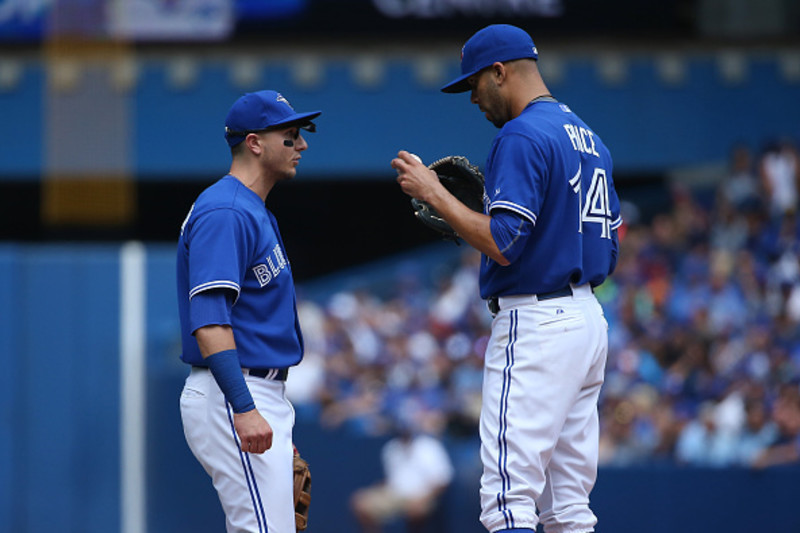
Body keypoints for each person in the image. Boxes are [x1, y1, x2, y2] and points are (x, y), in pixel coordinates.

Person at [392, 24, 621, 533]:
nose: (472, 97)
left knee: (506, 498)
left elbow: (504, 241)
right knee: (568, 506)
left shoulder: (520, 134)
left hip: (537, 323)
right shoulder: (590, 139)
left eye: (474, 83)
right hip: (587, 321)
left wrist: (437, 195)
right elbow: (610, 242)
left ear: (500, 72)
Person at [176, 89, 321, 532]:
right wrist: (244, 407)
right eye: (290, 135)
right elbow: (209, 321)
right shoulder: (227, 211)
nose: (302, 145)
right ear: (255, 143)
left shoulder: (249, 208)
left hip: (255, 391)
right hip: (235, 392)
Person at [350, 420, 454, 533]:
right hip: (395, 495)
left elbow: (443, 480)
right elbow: (391, 479)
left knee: (416, 509)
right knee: (360, 502)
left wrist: (424, 498)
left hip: (424, 496)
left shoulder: (429, 446)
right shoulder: (390, 448)